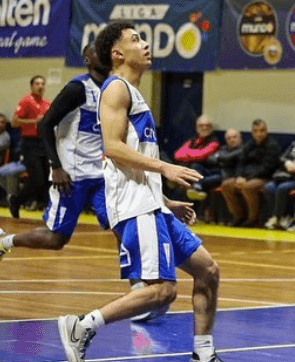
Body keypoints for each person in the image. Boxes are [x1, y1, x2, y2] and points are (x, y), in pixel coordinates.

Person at [57, 22, 221, 362]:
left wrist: (165, 200)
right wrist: (165, 168)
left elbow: (134, 158)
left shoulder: (134, 91)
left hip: (150, 203)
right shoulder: (116, 89)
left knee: (208, 270)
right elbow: (113, 148)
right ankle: (83, 325)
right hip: (134, 207)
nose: (145, 44)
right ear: (118, 54)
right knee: (162, 291)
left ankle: (203, 354)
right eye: (136, 39)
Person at [0, 46, 109, 264]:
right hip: (71, 176)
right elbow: (45, 124)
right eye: (98, 51)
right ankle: (3, 242)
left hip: (100, 176)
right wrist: (56, 166)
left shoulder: (111, 89)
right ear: (86, 59)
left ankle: (142, 283)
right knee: (56, 239)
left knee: (121, 224)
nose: (103, 54)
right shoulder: (78, 88)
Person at [220, 119, 280, 227]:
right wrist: (239, 176)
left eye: (262, 131)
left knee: (248, 187)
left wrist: (246, 178)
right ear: (252, 132)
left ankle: (253, 218)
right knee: (226, 184)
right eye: (256, 131)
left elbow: (267, 168)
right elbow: (241, 162)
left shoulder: (272, 145)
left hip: (264, 177)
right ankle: (238, 216)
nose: (259, 134)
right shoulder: (249, 144)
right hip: (247, 176)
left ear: (266, 131)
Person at [10, 75, 51, 217]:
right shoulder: (26, 101)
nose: (40, 86)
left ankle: (49, 211)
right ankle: (16, 200)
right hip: (29, 143)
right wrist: (34, 121)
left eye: (42, 84)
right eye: (37, 83)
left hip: (43, 143)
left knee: (47, 179)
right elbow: (14, 122)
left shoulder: (47, 104)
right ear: (32, 86)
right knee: (37, 179)